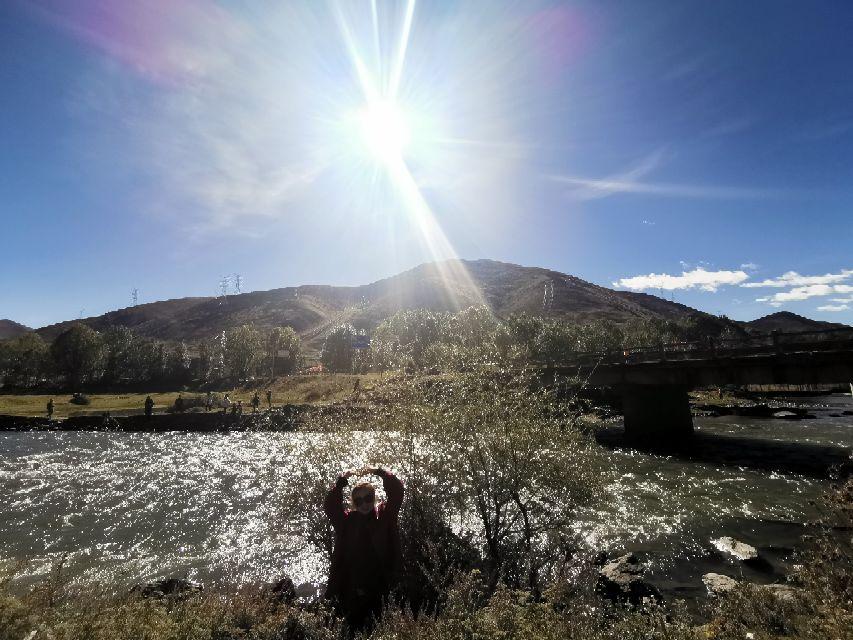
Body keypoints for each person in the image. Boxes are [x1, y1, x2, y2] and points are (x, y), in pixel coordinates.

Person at [324, 466, 404, 633]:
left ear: (374, 498)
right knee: (353, 629)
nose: (364, 504)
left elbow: (397, 492)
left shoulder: (384, 516)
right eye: (359, 501)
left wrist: (380, 472)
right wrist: (340, 483)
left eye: (368, 498)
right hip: (352, 589)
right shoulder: (347, 522)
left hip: (381, 585)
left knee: (381, 628)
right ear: (354, 503)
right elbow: (331, 507)